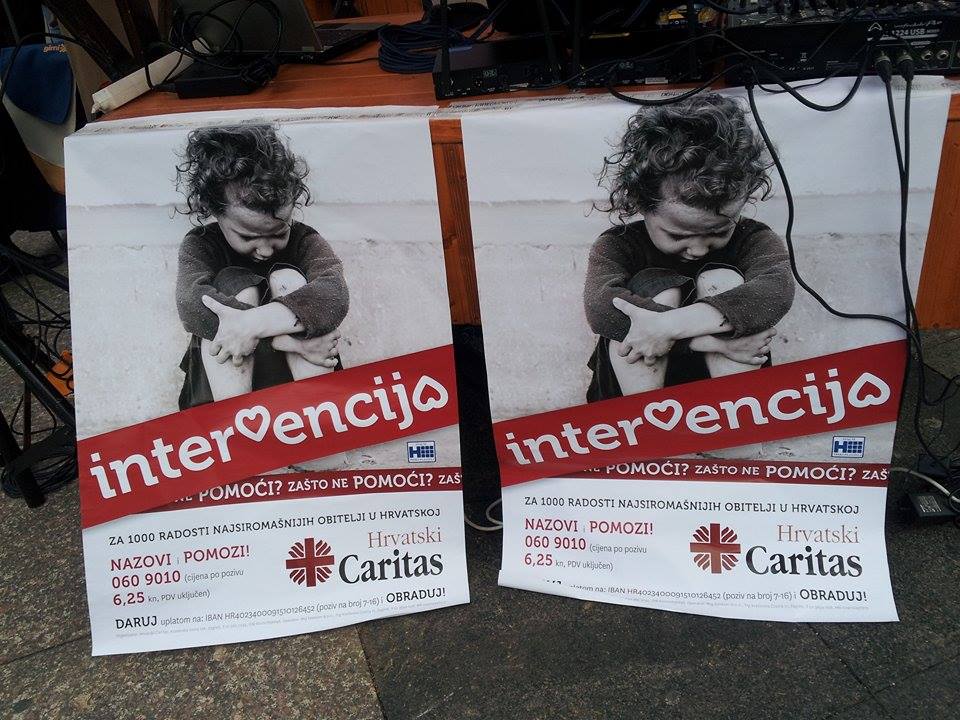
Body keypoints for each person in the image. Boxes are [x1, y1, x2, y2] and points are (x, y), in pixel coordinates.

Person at [584, 93, 795, 402]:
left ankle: (738, 422)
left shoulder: (754, 238)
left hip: (724, 392)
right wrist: (709, 342)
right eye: (678, 235)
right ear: (641, 204)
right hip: (635, 389)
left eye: (718, 231)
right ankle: (645, 422)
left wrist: (671, 326)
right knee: (653, 288)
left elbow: (776, 291)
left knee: (724, 280)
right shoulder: (618, 244)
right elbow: (601, 308)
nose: (698, 249)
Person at [174, 124, 348, 410]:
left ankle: (319, 413)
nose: (266, 249)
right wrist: (286, 340)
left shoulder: (305, 240)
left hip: (298, 381)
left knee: (289, 278)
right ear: (214, 211)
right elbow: (191, 304)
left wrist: (252, 324)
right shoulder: (201, 244)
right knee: (234, 283)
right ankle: (235, 422)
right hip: (224, 385)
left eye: (279, 232)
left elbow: (334, 294)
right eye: (248, 237)